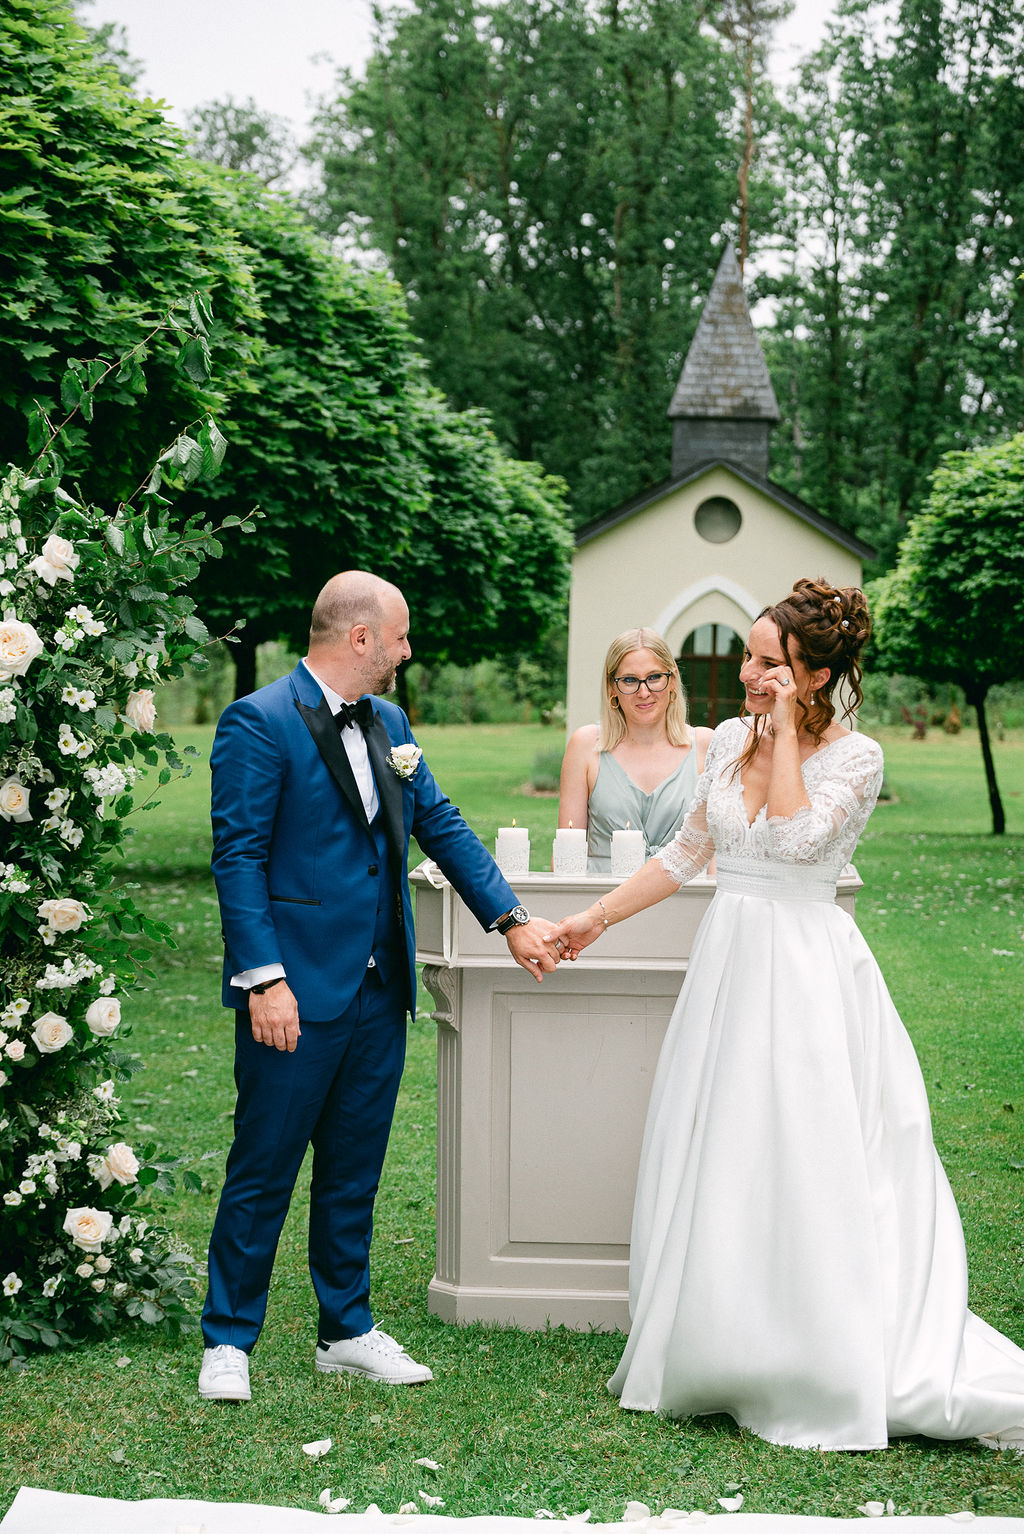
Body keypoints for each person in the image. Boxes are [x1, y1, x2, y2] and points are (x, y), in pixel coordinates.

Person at [547, 578, 1024, 1451]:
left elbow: (801, 838)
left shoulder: (858, 757)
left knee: (809, 1152)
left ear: (815, 676)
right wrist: (595, 918)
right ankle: (721, 1344)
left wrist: (790, 736)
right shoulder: (730, 739)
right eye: (748, 655)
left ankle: (820, 1352)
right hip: (731, 965)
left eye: (769, 662)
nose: (748, 673)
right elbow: (687, 852)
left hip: (808, 974)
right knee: (726, 1148)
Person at [199, 571, 560, 1403]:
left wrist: (511, 920)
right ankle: (227, 1339)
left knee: (354, 1169)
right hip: (293, 989)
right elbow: (238, 857)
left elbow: (440, 823)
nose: (407, 651)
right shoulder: (258, 721)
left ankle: (345, 1329)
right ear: (360, 637)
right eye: (399, 637)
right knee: (264, 1166)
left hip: (377, 985)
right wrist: (264, 979)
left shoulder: (392, 723)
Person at [558, 628, 712, 872]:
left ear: (672, 680)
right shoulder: (585, 745)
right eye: (629, 680)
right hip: (605, 894)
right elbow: (566, 859)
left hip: (686, 892)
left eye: (654, 677)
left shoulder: (706, 745)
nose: (644, 692)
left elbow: (718, 853)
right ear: (612, 687)